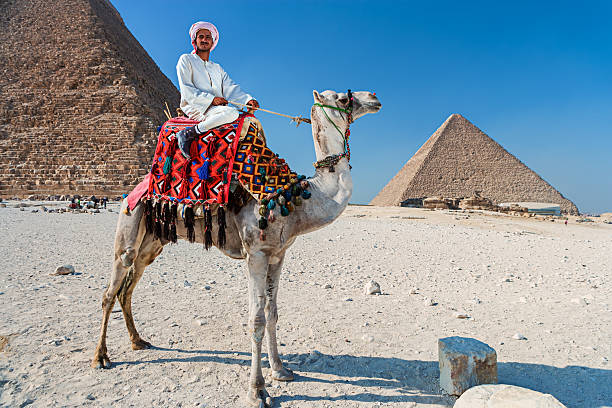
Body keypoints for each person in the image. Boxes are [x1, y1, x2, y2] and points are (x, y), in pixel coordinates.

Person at [175, 21, 259, 159]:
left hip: (218, 109)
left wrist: (248, 100)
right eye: (201, 36)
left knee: (247, 121)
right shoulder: (186, 59)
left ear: (212, 41)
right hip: (197, 107)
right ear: (195, 40)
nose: (204, 40)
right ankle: (190, 133)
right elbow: (186, 89)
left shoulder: (217, 68)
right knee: (232, 113)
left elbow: (230, 88)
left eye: (208, 37)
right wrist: (211, 100)